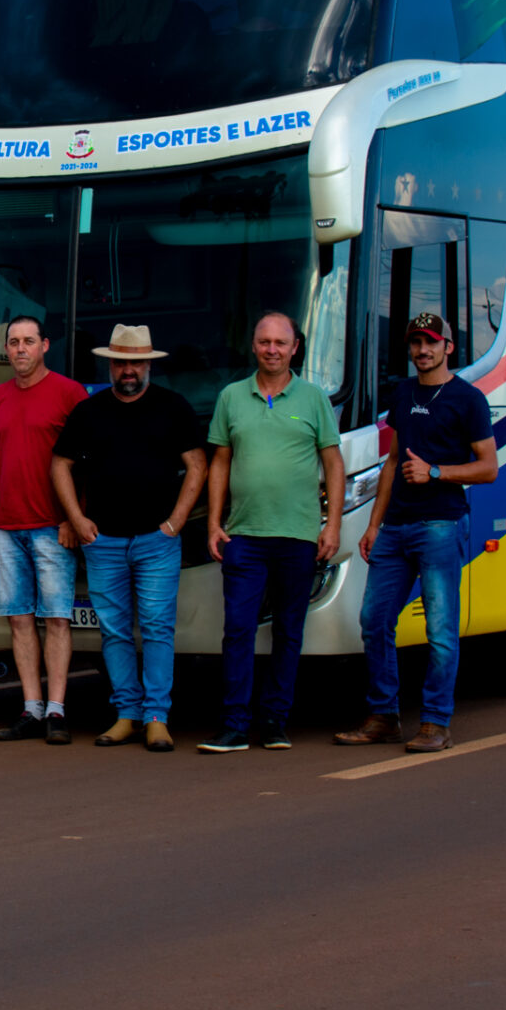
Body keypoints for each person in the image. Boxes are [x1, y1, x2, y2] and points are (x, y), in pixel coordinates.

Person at [337, 313, 497, 753]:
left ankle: (435, 723)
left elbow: (488, 467)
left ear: (448, 347)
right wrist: (372, 525)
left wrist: (437, 472)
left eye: (430, 342)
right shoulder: (403, 393)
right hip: (395, 529)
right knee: (373, 621)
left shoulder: (468, 400)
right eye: (415, 343)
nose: (422, 350)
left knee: (441, 629)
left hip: (441, 525)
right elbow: (391, 462)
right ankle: (384, 717)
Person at [52, 324, 204, 752]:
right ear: (110, 365)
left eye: (136, 362)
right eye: (121, 362)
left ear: (149, 364)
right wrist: (76, 518)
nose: (128, 370)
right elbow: (59, 464)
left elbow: (197, 464)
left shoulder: (173, 407)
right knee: (115, 632)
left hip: (157, 541)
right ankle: (126, 715)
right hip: (103, 542)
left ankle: (157, 717)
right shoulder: (90, 410)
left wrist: (176, 521)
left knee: (157, 630)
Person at [201, 312, 344, 753]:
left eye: (280, 342)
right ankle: (235, 725)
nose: (272, 349)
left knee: (288, 631)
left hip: (298, 536)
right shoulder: (231, 397)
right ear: (253, 345)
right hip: (244, 535)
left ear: (294, 347)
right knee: (238, 630)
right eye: (264, 341)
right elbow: (220, 462)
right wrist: (213, 521)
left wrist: (332, 524)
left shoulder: (314, 398)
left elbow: (334, 465)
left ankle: (276, 722)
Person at [0, 316, 86, 745]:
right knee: (19, 620)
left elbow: (86, 461)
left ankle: (57, 710)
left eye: (28, 342)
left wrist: (73, 518)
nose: (20, 349)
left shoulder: (69, 393)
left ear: (44, 346)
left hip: (53, 529)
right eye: (13, 342)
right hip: (7, 528)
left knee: (57, 619)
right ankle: (32, 708)